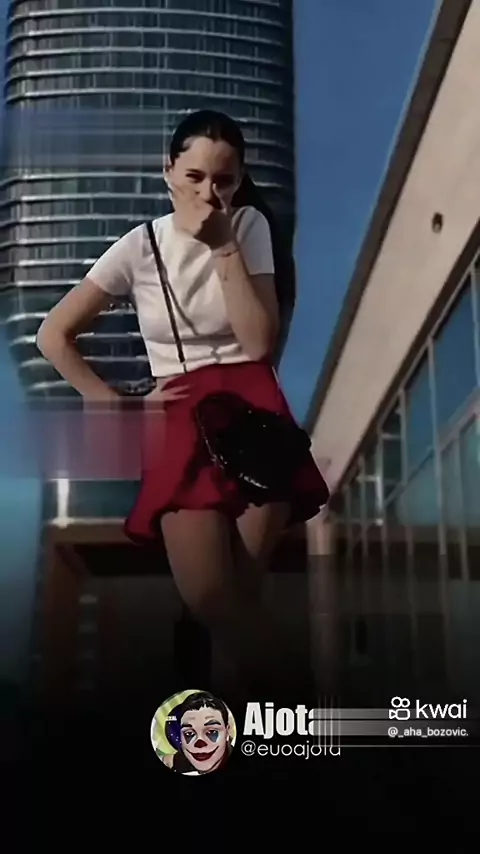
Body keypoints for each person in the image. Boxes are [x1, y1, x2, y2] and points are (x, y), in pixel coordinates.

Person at [36, 109, 328, 700]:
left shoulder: (247, 226)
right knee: (210, 597)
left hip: (254, 411)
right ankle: (312, 710)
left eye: (223, 179)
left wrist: (223, 248)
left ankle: (252, 740)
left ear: (239, 179)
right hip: (178, 417)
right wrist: (110, 402)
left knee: (240, 601)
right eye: (194, 176)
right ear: (168, 170)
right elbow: (53, 335)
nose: (208, 192)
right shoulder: (140, 245)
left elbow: (259, 343)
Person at [159, 691, 234, 775]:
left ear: (227, 732)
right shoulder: (181, 762)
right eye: (189, 733)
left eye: (212, 732)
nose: (200, 742)